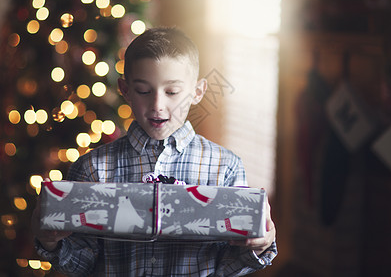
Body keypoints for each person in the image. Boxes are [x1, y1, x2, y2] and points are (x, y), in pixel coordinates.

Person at [32, 27, 277, 276]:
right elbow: (83, 262)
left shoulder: (226, 167)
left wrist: (260, 244)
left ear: (198, 92)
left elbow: (228, 265)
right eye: (143, 91)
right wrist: (50, 241)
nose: (158, 105)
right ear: (125, 90)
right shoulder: (93, 167)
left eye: (172, 92)